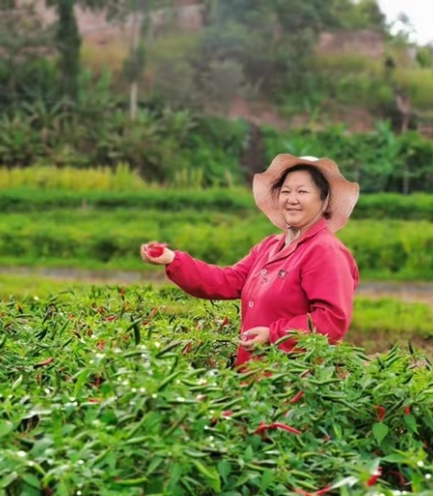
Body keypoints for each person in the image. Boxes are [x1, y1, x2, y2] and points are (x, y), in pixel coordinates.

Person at [140, 154, 360, 366]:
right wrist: (174, 260)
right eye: (285, 191)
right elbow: (229, 280)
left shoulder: (325, 251)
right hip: (255, 371)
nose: (292, 199)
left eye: (302, 191)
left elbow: (331, 320)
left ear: (324, 201)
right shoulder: (270, 246)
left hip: (292, 379)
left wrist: (275, 334)